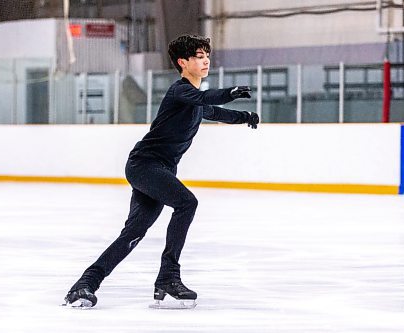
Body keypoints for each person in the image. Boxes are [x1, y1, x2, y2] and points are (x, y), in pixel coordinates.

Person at [64, 34, 260, 308]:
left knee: (133, 232)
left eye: (207, 56)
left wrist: (245, 117)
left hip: (159, 169)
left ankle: (84, 284)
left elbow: (213, 111)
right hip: (145, 164)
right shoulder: (180, 91)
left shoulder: (194, 102)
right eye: (198, 57)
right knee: (187, 203)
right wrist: (230, 93)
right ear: (183, 62)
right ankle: (168, 276)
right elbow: (206, 98)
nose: (205, 61)